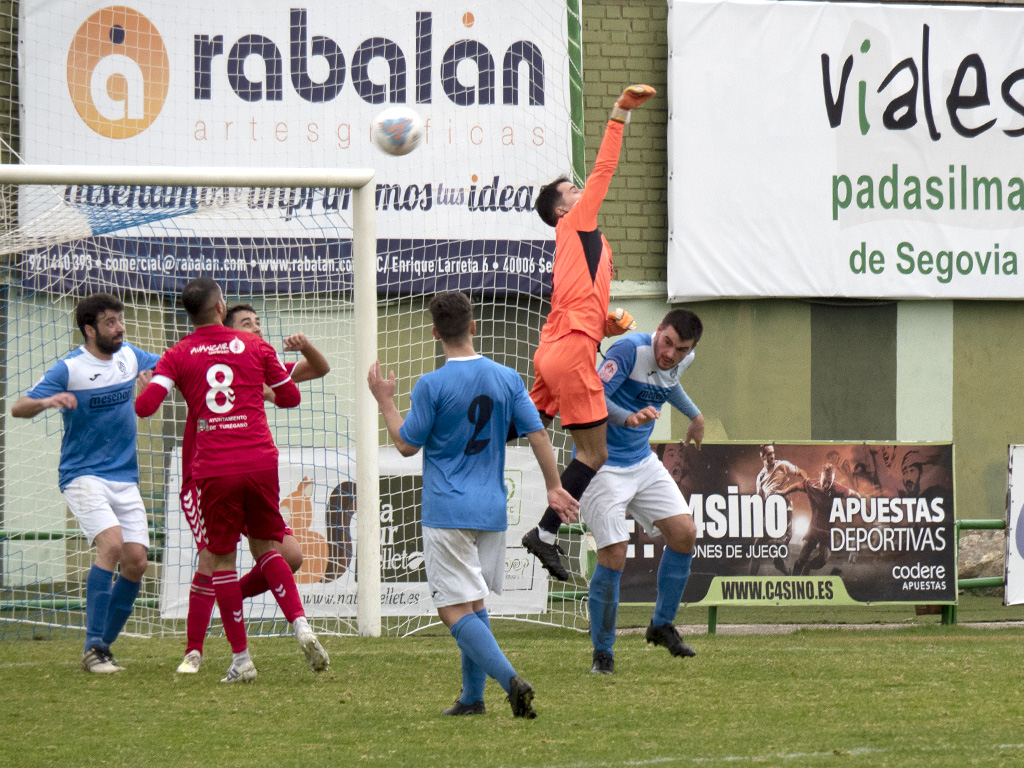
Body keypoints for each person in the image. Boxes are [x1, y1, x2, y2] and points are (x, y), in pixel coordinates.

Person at [367, 291, 578, 718]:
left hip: (448, 510)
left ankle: (511, 681)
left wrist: (385, 400)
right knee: (475, 603)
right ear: (473, 326)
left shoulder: (432, 384)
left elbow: (406, 445)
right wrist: (554, 487)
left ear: (433, 333)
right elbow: (538, 434)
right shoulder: (507, 377)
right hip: (491, 511)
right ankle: (471, 698)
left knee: (451, 607)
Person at [135, 277, 329, 683]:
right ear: (221, 307)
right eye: (250, 320)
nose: (257, 327)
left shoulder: (178, 353)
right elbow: (291, 397)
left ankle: (241, 659)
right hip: (259, 463)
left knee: (220, 560)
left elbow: (146, 407)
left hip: (215, 469)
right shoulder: (257, 350)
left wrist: (145, 387)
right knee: (267, 548)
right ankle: (298, 626)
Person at [521, 83, 657, 581]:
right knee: (593, 453)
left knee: (521, 424)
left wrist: (608, 322)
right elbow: (605, 169)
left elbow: (580, 299)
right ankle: (546, 534)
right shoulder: (577, 221)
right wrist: (619, 113)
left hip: (556, 346)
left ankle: (465, 441)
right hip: (572, 350)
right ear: (562, 209)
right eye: (571, 192)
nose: (581, 192)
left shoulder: (580, 241)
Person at [11, 293, 160, 673]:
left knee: (137, 562)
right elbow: (18, 406)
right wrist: (48, 402)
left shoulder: (130, 356)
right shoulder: (70, 368)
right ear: (90, 329)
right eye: (110, 322)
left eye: (120, 320)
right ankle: (93, 646)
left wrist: (156, 378)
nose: (120, 328)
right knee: (110, 546)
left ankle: (102, 647)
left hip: (124, 476)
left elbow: (170, 367)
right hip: (83, 475)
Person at [581, 309, 705, 675]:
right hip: (602, 465)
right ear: (659, 330)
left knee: (685, 534)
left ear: (691, 349)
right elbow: (593, 396)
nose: (670, 354)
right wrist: (626, 417)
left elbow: (669, 384)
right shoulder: (628, 350)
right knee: (615, 556)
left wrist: (695, 416)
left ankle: (661, 625)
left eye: (680, 349)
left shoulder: (685, 359)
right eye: (666, 342)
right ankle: (603, 652)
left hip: (642, 462)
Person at [792, 463, 859, 576]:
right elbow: (798, 486)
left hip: (827, 532)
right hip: (813, 529)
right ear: (820, 476)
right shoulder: (812, 484)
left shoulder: (838, 489)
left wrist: (858, 501)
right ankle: (793, 582)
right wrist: (782, 492)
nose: (827, 485)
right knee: (801, 559)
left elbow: (854, 493)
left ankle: (808, 567)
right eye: (825, 481)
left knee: (822, 560)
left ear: (833, 480)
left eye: (830, 482)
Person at [749, 445, 806, 576]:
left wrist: (805, 479)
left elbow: (800, 471)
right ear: (762, 456)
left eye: (773, 453)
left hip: (785, 510)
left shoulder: (782, 465)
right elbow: (759, 498)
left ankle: (781, 563)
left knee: (785, 541)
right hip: (770, 512)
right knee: (757, 545)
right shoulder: (760, 477)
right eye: (769, 454)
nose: (772, 456)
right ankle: (750, 577)